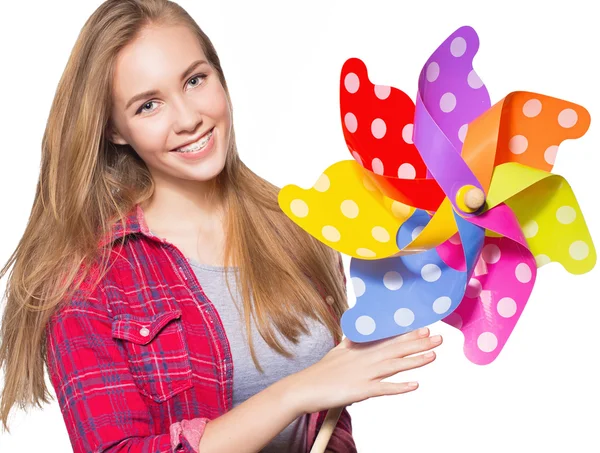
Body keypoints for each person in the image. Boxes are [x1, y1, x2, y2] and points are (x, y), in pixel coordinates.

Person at [0, 0, 443, 452]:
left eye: (195, 80)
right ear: (114, 130)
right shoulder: (86, 281)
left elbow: (329, 419)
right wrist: (295, 393)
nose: (189, 118)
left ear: (219, 76)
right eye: (148, 105)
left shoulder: (297, 229)